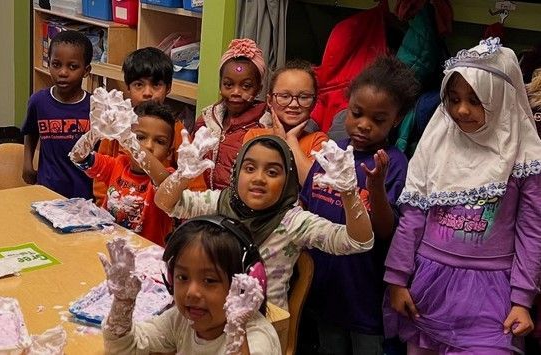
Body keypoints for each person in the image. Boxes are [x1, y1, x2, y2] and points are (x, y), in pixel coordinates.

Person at [384, 38, 541, 354]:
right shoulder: (437, 145)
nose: (461, 110)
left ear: (500, 98)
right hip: (428, 286)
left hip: (492, 296)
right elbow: (413, 217)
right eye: (452, 99)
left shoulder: (525, 158)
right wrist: (397, 279)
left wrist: (522, 300)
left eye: (475, 99)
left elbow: (532, 232)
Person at [154, 134, 374, 310]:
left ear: (288, 181)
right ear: (236, 172)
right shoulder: (219, 202)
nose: (259, 178)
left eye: (272, 172)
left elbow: (359, 242)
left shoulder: (293, 222)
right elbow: (165, 202)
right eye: (249, 169)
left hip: (261, 324)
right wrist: (183, 175)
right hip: (209, 311)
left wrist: (348, 193)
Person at [300, 56, 419, 355]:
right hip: (323, 290)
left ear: (397, 118)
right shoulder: (330, 153)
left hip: (363, 296)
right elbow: (303, 209)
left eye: (378, 120)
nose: (364, 125)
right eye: (357, 113)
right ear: (347, 106)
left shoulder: (393, 165)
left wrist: (376, 188)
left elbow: (383, 232)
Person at [101, 216, 281, 354]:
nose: (191, 292)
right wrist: (123, 303)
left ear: (244, 286)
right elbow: (125, 348)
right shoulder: (180, 320)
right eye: (182, 277)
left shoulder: (256, 338)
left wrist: (237, 335)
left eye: (209, 280)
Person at [70, 93, 175, 246]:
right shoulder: (116, 165)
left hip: (145, 258)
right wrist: (95, 133)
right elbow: (78, 157)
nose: (148, 146)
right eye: (140, 137)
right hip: (106, 245)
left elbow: (165, 182)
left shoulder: (168, 177)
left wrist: (130, 141)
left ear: (169, 152)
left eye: (159, 141)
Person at [93, 47, 175, 206]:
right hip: (113, 213)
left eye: (156, 85)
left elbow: (191, 183)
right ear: (128, 87)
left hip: (157, 215)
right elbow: (101, 177)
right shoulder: (115, 128)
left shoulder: (177, 131)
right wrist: (102, 205)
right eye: (139, 85)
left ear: (169, 87)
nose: (147, 93)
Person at [21, 30, 93, 198]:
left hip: (83, 192)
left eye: (73, 66)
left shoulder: (94, 106)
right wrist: (27, 163)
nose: (63, 72)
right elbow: (31, 131)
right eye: (56, 64)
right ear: (49, 64)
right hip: (47, 189)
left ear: (86, 70)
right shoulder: (38, 101)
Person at [192, 38, 267, 191]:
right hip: (202, 204)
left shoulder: (264, 126)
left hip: (238, 209)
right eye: (228, 84)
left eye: (246, 86)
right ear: (220, 85)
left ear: (259, 89)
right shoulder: (205, 121)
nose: (236, 92)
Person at [243, 59, 328, 185]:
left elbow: (312, 186)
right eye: (284, 96)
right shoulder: (254, 136)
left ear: (314, 102)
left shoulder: (319, 141)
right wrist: (280, 141)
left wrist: (291, 141)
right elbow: (255, 181)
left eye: (304, 97)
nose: (294, 104)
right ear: (269, 100)